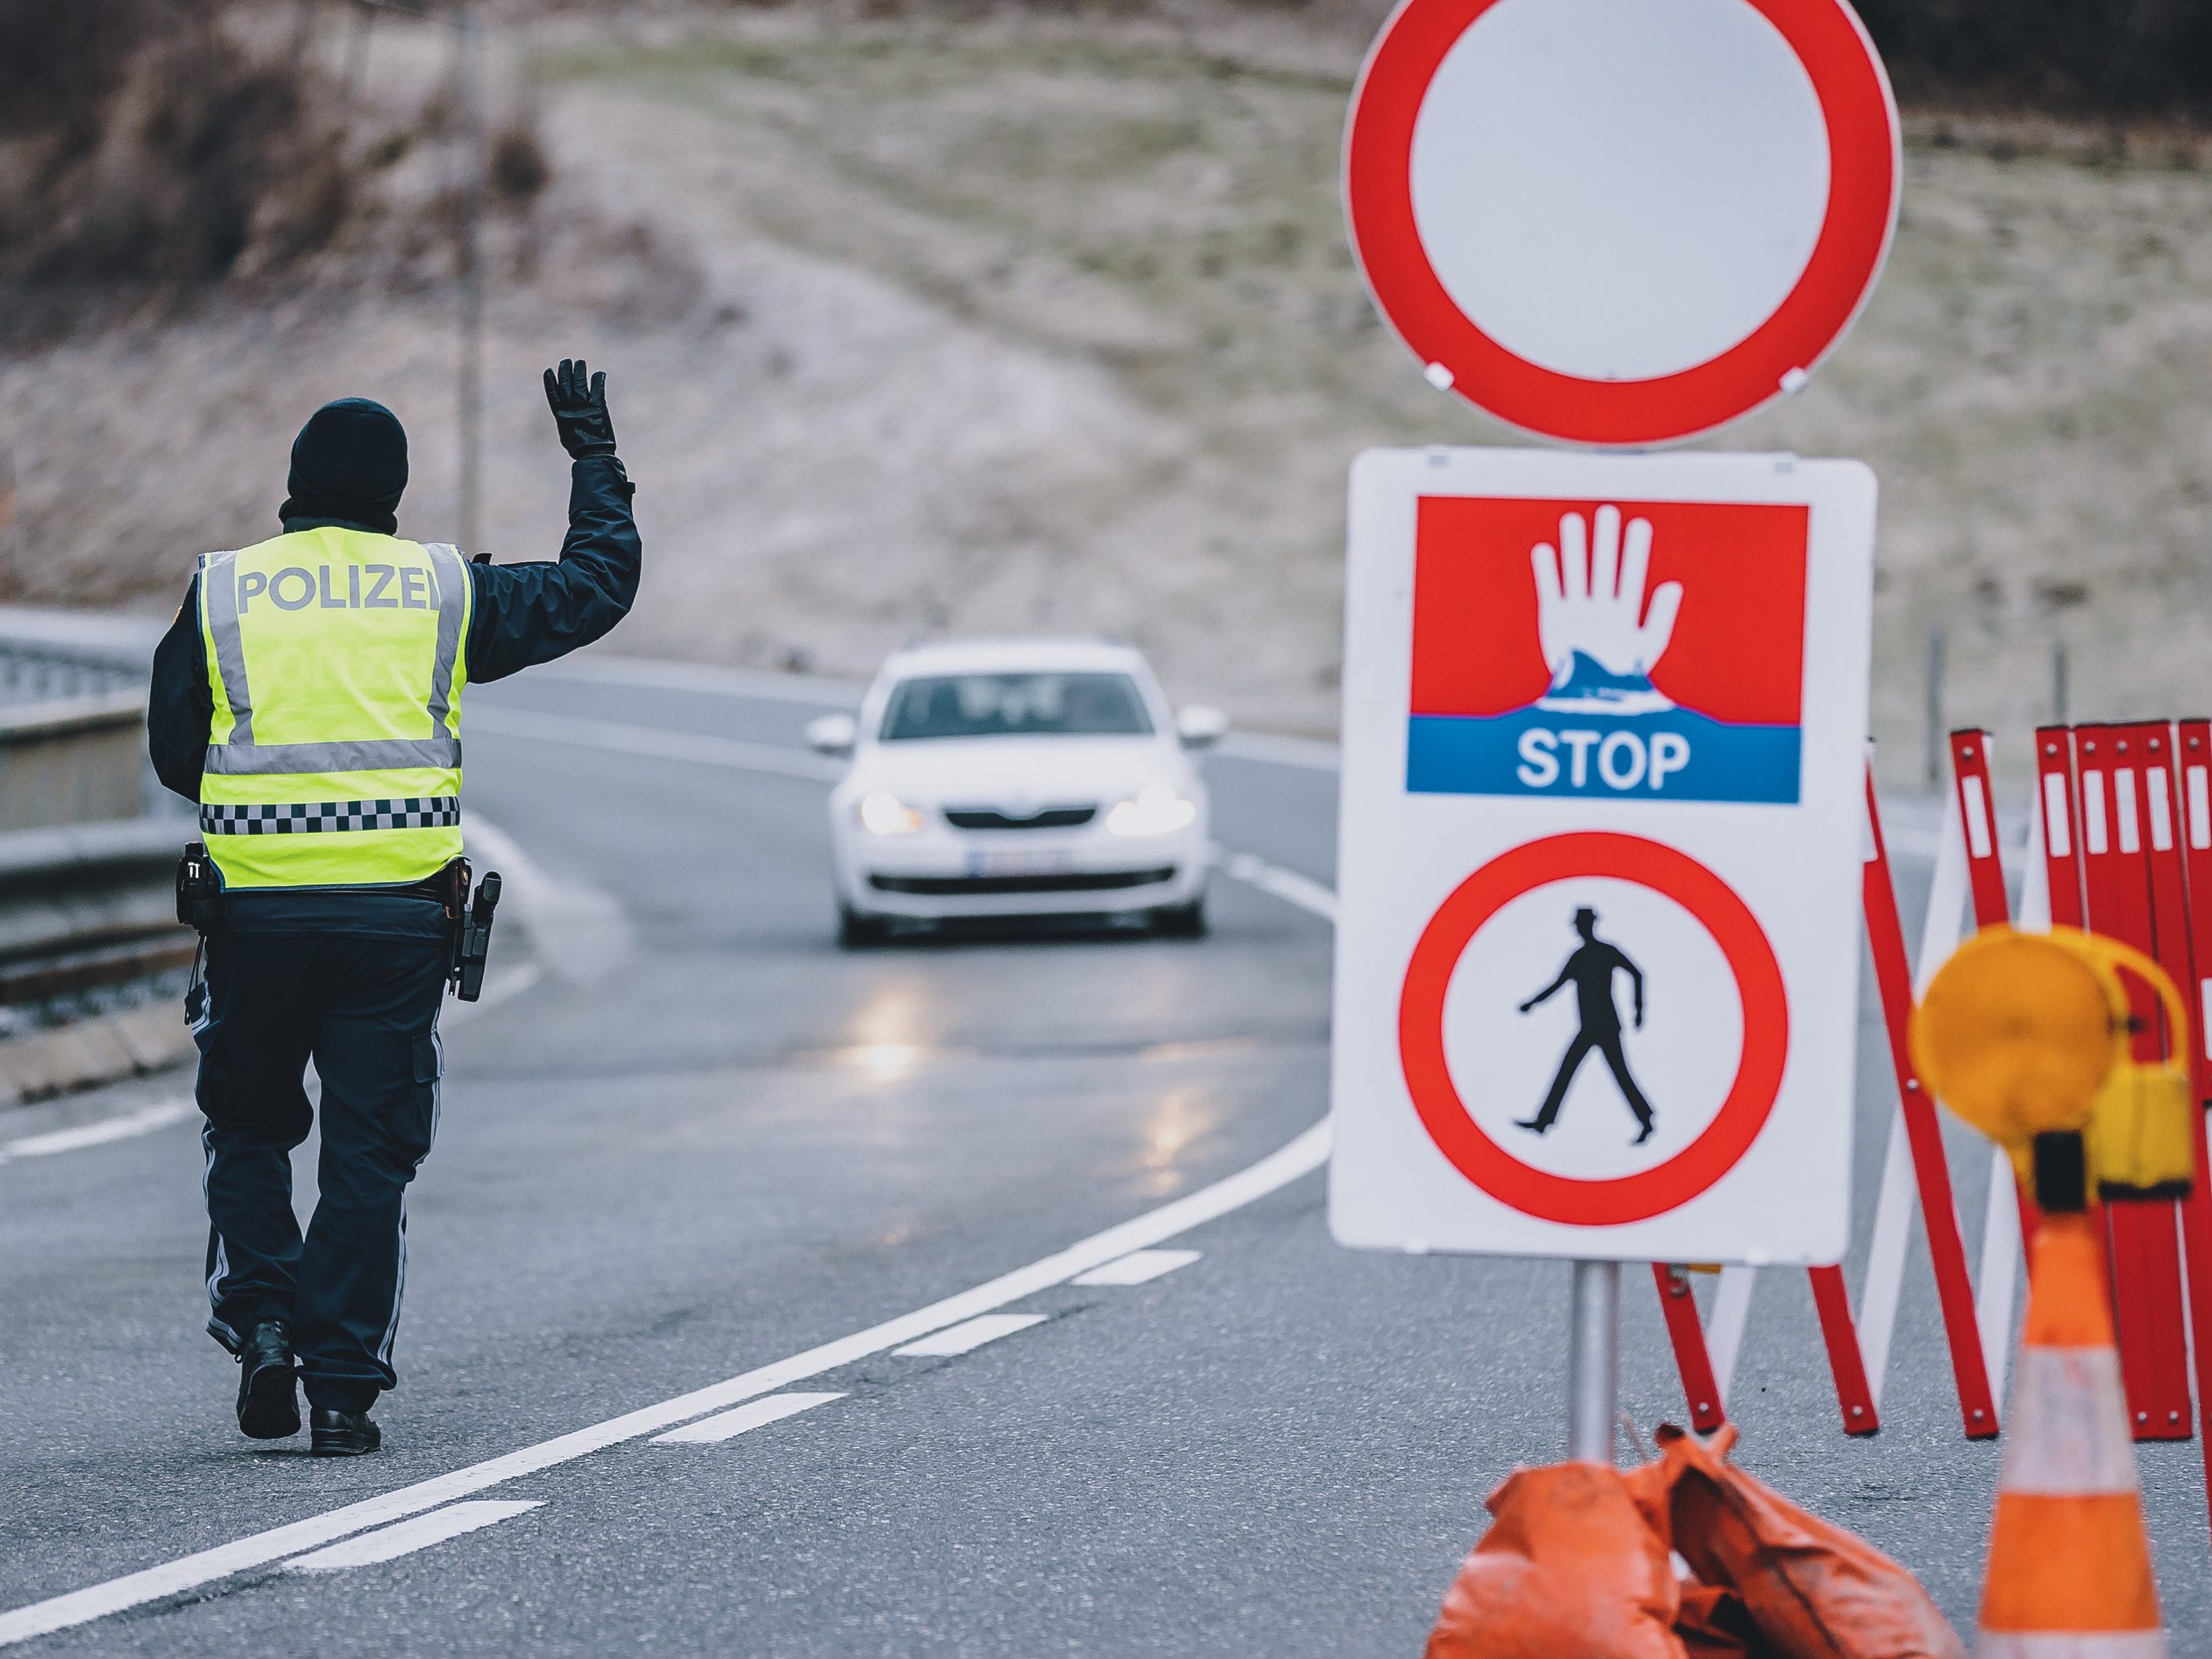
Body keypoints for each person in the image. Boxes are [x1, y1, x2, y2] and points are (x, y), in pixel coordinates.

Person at [146, 360, 640, 1455]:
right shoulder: (441, 592)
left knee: (249, 1129)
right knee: (370, 1156)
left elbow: (177, 749)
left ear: (294, 483)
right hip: (396, 928)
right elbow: (592, 587)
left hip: (257, 922)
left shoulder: (225, 586)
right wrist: (594, 461)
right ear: (395, 492)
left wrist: (268, 808)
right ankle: (340, 1389)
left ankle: (263, 1321)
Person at [1514, 905, 1656, 1145]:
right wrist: (1533, 1003)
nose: (1579, 929)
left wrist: (1639, 1009)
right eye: (1578, 925)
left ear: (1589, 925)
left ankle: (1645, 1122)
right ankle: (1543, 1122)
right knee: (1569, 1070)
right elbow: (1557, 985)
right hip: (1590, 1028)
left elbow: (1637, 973)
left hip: (1606, 1027)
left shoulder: (1604, 952)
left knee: (1618, 1075)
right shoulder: (1578, 957)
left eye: (1581, 924)